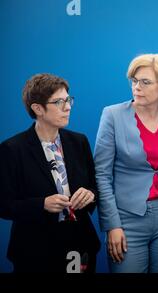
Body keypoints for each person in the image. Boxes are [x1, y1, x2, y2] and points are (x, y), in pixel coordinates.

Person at [94, 54, 158, 273]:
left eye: (145, 82)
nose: (137, 87)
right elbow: (102, 175)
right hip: (126, 219)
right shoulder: (113, 115)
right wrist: (112, 225)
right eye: (134, 81)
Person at [0, 73, 100, 272]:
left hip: (79, 244)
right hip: (34, 250)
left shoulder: (79, 142)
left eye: (68, 100)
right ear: (38, 108)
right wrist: (42, 204)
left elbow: (94, 185)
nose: (68, 107)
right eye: (59, 102)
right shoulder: (12, 149)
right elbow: (3, 205)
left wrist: (90, 194)